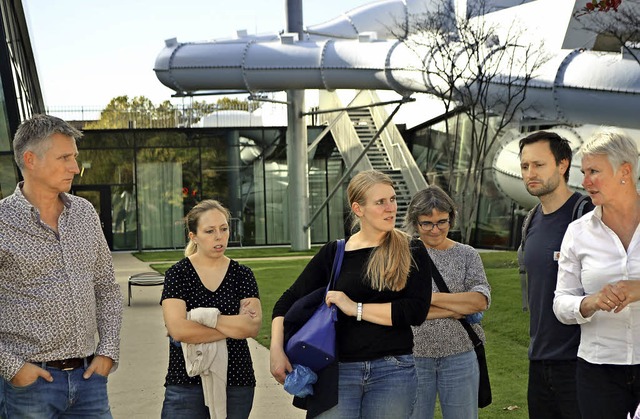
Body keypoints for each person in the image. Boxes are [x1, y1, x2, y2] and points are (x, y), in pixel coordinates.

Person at [270, 169, 433, 418]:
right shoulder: (335, 253)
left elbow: (415, 311)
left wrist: (354, 307)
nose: (391, 208)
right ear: (358, 209)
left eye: (392, 199)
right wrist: (275, 350)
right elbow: (287, 301)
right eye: (380, 202)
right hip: (337, 373)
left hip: (393, 371)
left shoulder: (411, 249)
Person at [0, 114, 123, 417]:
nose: (75, 168)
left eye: (75, 157)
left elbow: (106, 288)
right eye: (65, 157)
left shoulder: (84, 213)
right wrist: (13, 368)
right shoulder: (2, 222)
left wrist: (107, 352)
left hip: (89, 380)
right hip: (29, 385)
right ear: (30, 159)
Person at [554, 128, 640, 419]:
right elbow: (561, 302)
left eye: (594, 171)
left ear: (624, 171)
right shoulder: (577, 232)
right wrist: (590, 302)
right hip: (598, 372)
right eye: (583, 171)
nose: (584, 181)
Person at [161, 199, 262, 419]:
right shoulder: (178, 274)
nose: (219, 237)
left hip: (237, 381)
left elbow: (252, 327)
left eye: (224, 229)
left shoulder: (242, 274)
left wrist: (198, 320)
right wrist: (233, 326)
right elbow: (178, 330)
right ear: (193, 236)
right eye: (209, 231)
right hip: (186, 381)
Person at [519, 130, 594, 419]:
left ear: (563, 165)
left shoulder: (588, 214)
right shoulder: (530, 221)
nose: (530, 173)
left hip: (582, 364)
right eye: (525, 166)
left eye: (539, 165)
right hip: (538, 363)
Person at [404, 185, 491, 419]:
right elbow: (401, 308)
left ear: (451, 218)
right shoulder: (402, 254)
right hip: (412, 357)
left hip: (460, 355)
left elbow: (479, 301)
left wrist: (425, 300)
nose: (435, 230)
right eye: (427, 223)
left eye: (442, 222)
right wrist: (455, 307)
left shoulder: (467, 254)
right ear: (415, 222)